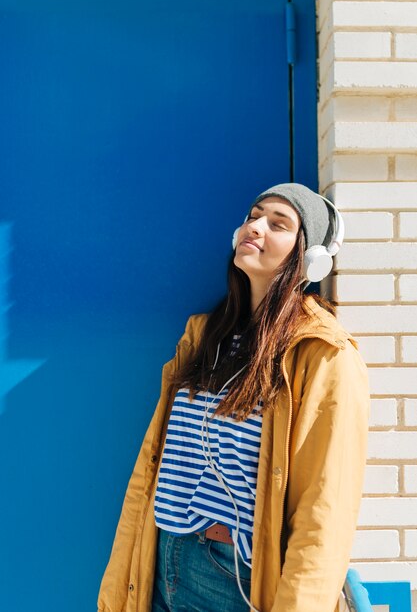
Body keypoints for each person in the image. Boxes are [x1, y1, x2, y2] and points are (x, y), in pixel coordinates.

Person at [97, 183, 369, 612]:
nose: (255, 227)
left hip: (233, 575)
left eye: (278, 224)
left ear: (310, 259)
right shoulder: (207, 336)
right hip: (163, 555)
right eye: (253, 216)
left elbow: (325, 509)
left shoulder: (322, 354)